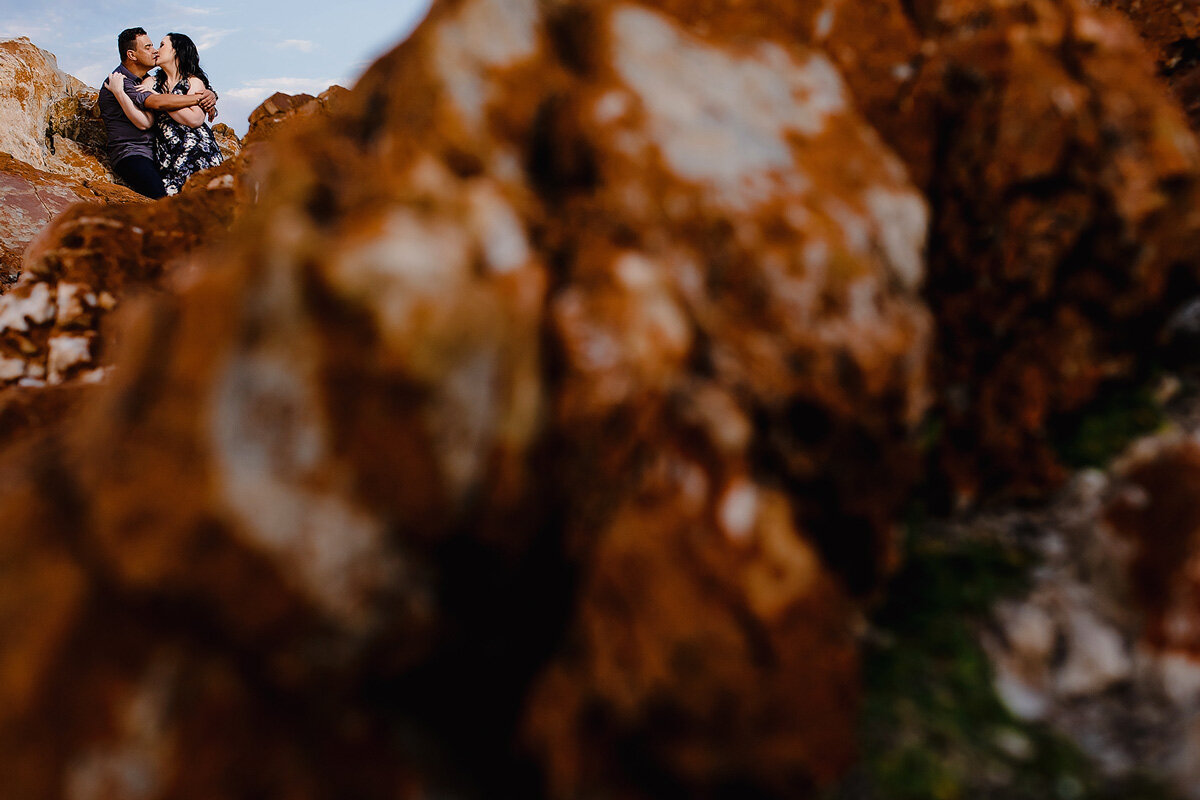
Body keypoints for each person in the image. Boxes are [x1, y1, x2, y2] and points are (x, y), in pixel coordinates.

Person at [97, 27, 218, 198]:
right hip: (133, 153)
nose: (154, 51)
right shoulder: (121, 81)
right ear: (132, 55)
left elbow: (159, 115)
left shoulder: (147, 80)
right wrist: (200, 99)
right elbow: (151, 111)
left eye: (157, 46)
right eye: (148, 47)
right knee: (162, 199)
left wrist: (211, 95)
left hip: (160, 152)